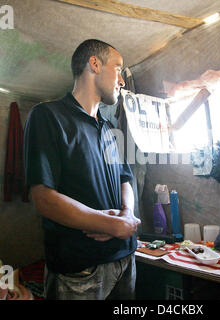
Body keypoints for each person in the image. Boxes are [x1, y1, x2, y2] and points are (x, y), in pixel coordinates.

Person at [23, 39, 141, 300]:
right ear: (95, 64)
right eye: (118, 68)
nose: (121, 81)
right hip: (79, 269)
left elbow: (125, 180)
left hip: (125, 258)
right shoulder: (47, 116)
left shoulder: (109, 128)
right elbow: (44, 199)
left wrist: (127, 215)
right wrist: (110, 224)